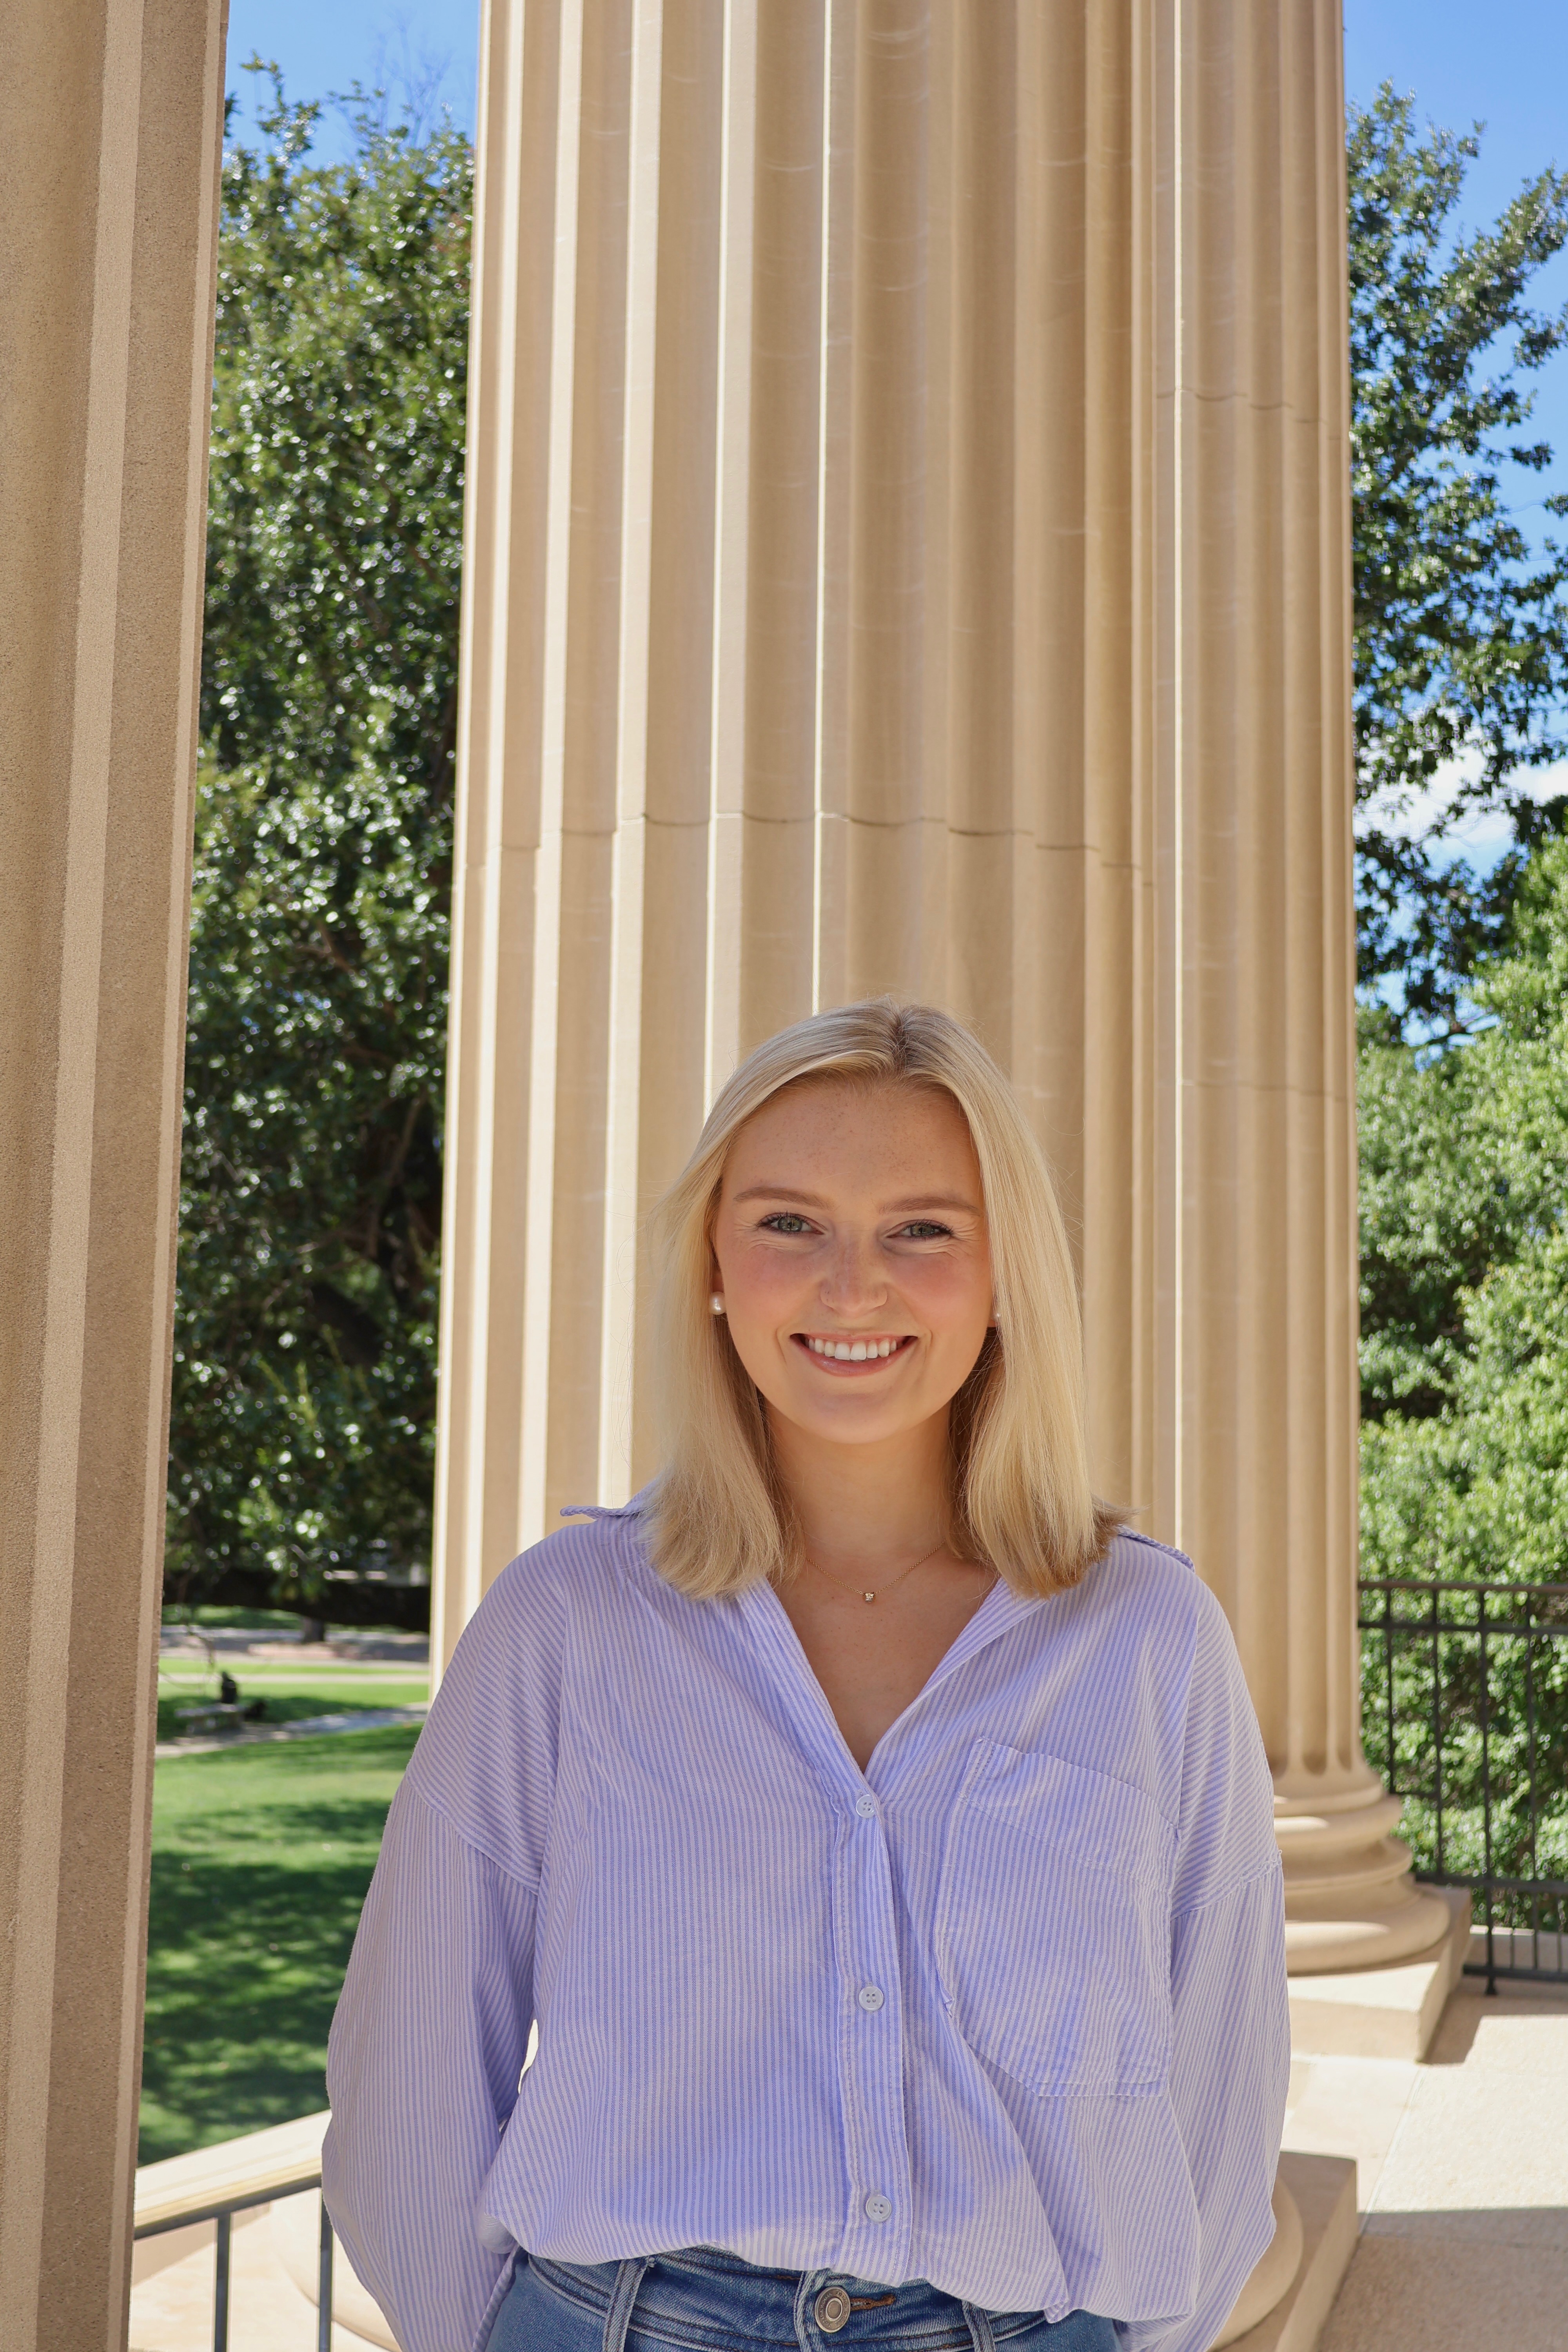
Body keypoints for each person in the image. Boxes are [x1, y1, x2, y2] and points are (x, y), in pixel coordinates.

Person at [323, 1000, 1289, 2352]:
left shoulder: (1147, 1640)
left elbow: (1220, 2090)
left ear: (1006, 1270)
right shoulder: (565, 1625)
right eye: (789, 1222)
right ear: (715, 1262)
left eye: (922, 1229)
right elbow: (412, 2068)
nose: (852, 1286)